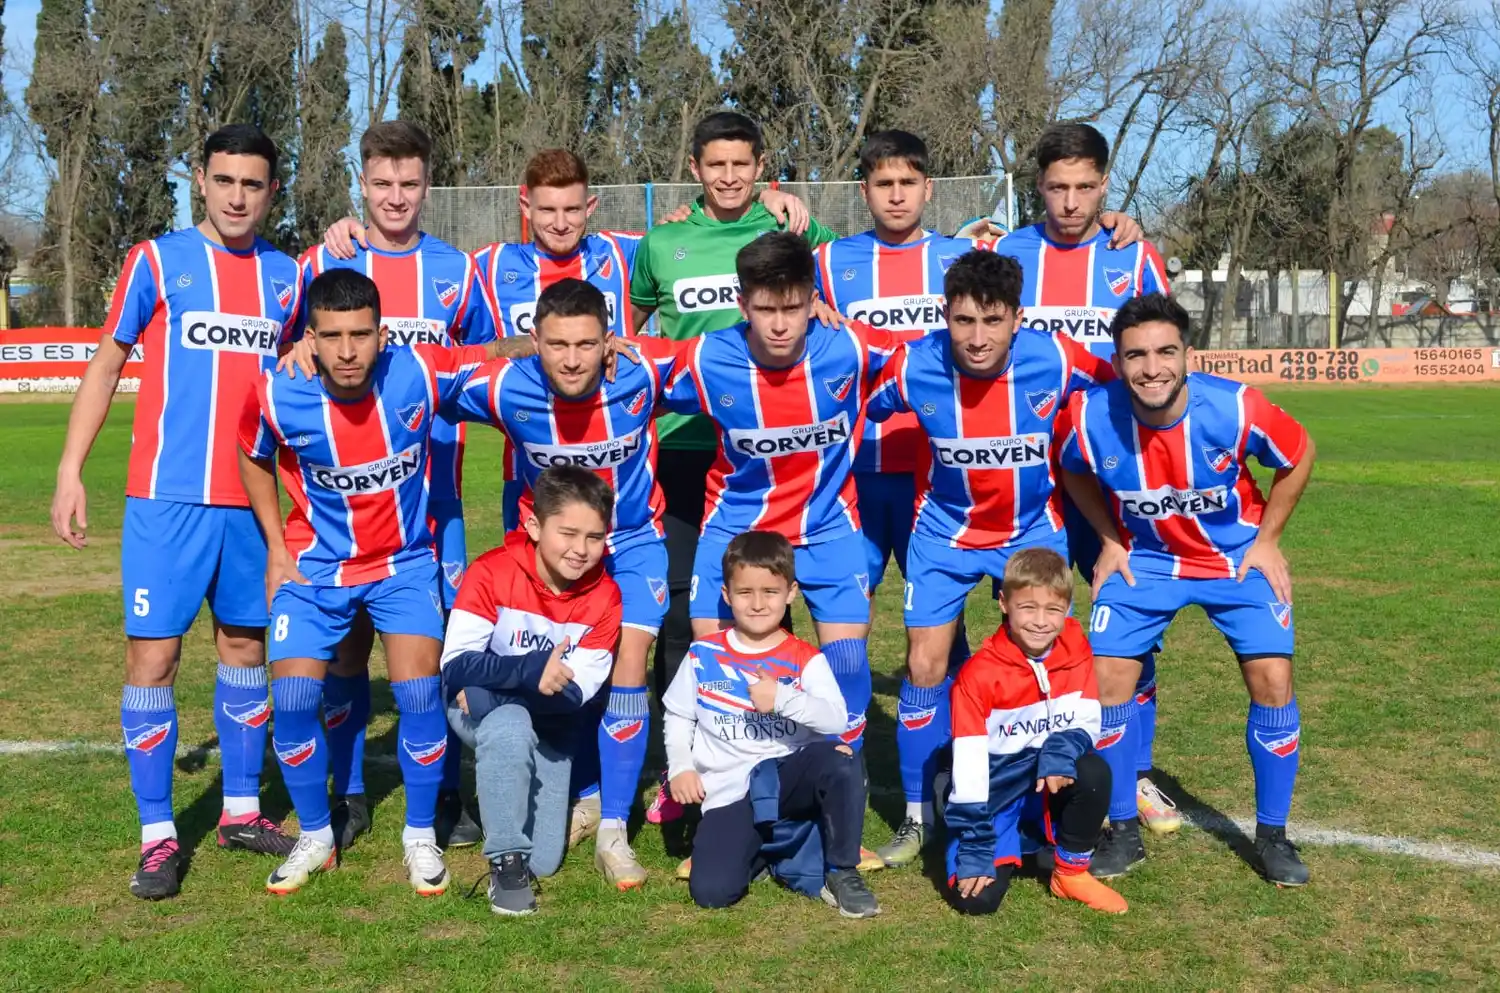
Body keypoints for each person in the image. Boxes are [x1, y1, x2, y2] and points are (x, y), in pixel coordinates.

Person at [50, 124, 303, 900]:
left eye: (253, 184)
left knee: (244, 647)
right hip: (165, 501)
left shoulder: (288, 277)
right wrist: (69, 470)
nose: (237, 196)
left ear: (272, 191)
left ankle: (239, 812)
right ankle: (158, 834)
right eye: (224, 180)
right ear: (200, 179)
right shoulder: (156, 261)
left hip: (252, 504)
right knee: (152, 659)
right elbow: (106, 363)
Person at [238, 268, 501, 895]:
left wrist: (583, 342)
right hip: (315, 568)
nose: (348, 351)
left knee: (418, 695)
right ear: (310, 338)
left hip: (402, 565)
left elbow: (496, 352)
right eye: (332, 336)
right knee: (293, 700)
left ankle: (419, 835)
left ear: (383, 334)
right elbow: (253, 455)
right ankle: (315, 835)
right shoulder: (277, 390)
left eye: (361, 334)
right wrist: (275, 546)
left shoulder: (419, 372)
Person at [1055, 293, 1316, 885]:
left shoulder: (1235, 407)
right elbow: (1070, 468)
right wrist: (1109, 539)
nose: (1152, 368)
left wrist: (1269, 539)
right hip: (1145, 563)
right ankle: (1122, 830)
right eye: (1136, 356)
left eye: (1165, 352)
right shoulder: (1088, 416)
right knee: (1107, 681)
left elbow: (1299, 454)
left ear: (1188, 356)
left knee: (1273, 682)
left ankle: (1274, 836)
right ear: (1117, 362)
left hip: (1234, 561)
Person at [863, 250, 1111, 867]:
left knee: (1049, 662)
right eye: (964, 320)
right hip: (943, 534)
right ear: (944, 315)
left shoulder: (1055, 358)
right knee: (924, 665)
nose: (977, 338)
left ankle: (1053, 799)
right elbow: (855, 397)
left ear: (1018, 319)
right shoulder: (914, 366)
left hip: (1031, 534)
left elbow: (1120, 389)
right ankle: (919, 815)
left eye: (993, 321)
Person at [628, 112, 839, 826]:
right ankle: (682, 763)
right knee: (684, 607)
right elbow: (635, 331)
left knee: (777, 598)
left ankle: (782, 746)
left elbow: (827, 297)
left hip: (770, 448)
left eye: (741, 164)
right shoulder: (663, 241)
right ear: (694, 168)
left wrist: (794, 216)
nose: (728, 177)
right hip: (682, 444)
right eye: (714, 165)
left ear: (760, 167)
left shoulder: (789, 226)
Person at [300, 120, 494, 850]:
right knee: (348, 650)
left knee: (435, 650)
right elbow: (291, 351)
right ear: (363, 183)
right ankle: (349, 792)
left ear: (427, 186)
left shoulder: (457, 270)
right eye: (382, 183)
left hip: (436, 497)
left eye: (409, 183)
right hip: (346, 503)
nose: (395, 197)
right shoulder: (330, 258)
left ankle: (443, 792)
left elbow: (483, 357)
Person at [450, 278, 678, 889]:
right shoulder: (505, 384)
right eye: (556, 345)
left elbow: (738, 344)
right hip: (552, 552)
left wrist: (816, 310)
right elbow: (419, 372)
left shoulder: (642, 370)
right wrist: (496, 347)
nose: (572, 360)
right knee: (550, 662)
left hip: (630, 541)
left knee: (628, 661)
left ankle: (612, 831)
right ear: (536, 342)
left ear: (609, 342)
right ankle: (566, 784)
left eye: (585, 344)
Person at [996, 123, 1178, 832]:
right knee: (1030, 618)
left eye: (1084, 187)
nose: (1070, 202)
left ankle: (1134, 774)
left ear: (1105, 185)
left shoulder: (1132, 254)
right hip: (1026, 472)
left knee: (1130, 623)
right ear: (1036, 187)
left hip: (1114, 474)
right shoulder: (1008, 253)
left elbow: (1164, 356)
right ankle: (1033, 760)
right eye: (1056, 187)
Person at [659, 232, 898, 754]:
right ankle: (717, 776)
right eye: (766, 309)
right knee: (714, 659)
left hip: (828, 526)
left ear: (814, 300)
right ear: (742, 304)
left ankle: (841, 775)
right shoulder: (708, 357)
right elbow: (627, 371)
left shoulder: (850, 345)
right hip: (735, 528)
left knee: (847, 662)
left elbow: (935, 355)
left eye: (793, 308)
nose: (780, 324)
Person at [664, 531, 879, 918]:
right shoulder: (702, 655)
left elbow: (836, 717)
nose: (758, 603)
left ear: (790, 593)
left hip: (788, 781)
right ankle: (770, 851)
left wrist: (781, 698)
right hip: (730, 793)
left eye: (770, 592)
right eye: (745, 592)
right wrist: (681, 767)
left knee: (841, 758)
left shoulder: (806, 658)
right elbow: (679, 714)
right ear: (727, 595)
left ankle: (841, 871)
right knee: (712, 892)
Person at [440, 467, 623, 915]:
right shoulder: (490, 572)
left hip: (547, 721)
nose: (581, 550)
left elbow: (575, 696)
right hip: (487, 716)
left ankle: (507, 806)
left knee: (544, 860)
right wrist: (528, 671)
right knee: (510, 724)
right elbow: (456, 666)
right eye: (568, 533)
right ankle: (505, 864)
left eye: (595, 537)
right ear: (535, 526)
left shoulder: (606, 597)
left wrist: (490, 692)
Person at [945, 547, 1127, 915]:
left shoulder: (1076, 646)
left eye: (1053, 609)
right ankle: (998, 840)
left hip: (1048, 785)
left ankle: (1070, 872)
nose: (1041, 621)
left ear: (1067, 609)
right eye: (1028, 608)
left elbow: (1088, 720)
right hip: (996, 793)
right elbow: (970, 767)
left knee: (1093, 771)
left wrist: (1060, 751)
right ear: (1003, 603)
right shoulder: (978, 676)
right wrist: (976, 847)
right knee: (976, 902)